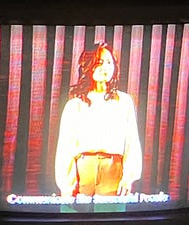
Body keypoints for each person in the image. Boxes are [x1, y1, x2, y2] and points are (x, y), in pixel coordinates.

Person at [53, 41, 143, 202]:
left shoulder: (124, 101)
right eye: (99, 62)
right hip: (82, 172)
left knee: (111, 216)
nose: (105, 68)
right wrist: (66, 185)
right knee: (76, 215)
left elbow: (132, 142)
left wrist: (128, 177)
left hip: (113, 172)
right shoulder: (75, 105)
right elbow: (65, 148)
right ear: (88, 66)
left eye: (109, 62)